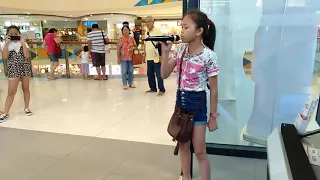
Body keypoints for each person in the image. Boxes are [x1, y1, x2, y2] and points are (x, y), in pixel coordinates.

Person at [161, 9, 218, 180]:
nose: (182, 31)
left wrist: (213, 116)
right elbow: (164, 74)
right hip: (181, 103)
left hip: (198, 105)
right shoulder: (180, 50)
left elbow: (214, 89)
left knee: (200, 150)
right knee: (183, 145)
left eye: (186, 27)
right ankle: (186, 177)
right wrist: (165, 53)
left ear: (199, 31)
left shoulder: (209, 56)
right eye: (182, 27)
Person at [0, 26, 33, 122]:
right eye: (11, 34)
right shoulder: (5, 45)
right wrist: (6, 43)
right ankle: (5, 112)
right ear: (7, 35)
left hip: (25, 68)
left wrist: (22, 43)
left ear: (19, 33)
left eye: (16, 34)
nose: (14, 36)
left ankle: (26, 107)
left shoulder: (24, 43)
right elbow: (5, 57)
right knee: (11, 92)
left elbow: (27, 56)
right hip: (13, 69)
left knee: (26, 89)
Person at [144, 16, 166, 96]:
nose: (147, 23)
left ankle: (162, 89)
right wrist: (144, 54)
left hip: (156, 57)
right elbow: (145, 44)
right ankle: (153, 88)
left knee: (158, 74)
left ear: (153, 22)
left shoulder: (158, 31)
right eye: (146, 22)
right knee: (150, 74)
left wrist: (161, 56)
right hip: (149, 57)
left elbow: (162, 44)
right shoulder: (146, 32)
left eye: (148, 21)